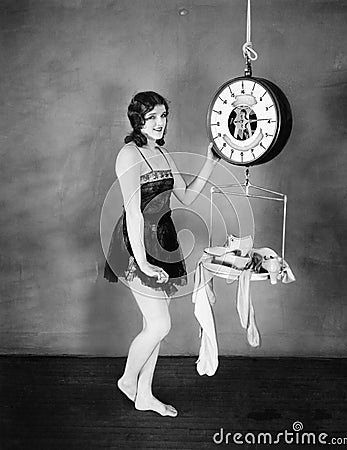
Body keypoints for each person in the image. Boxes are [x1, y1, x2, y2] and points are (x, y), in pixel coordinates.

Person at [104, 91, 220, 417]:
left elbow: (186, 196)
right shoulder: (128, 155)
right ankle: (128, 380)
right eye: (152, 116)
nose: (159, 122)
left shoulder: (163, 153)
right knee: (159, 324)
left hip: (164, 239)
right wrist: (141, 262)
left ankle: (144, 394)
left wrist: (210, 161)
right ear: (137, 119)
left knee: (152, 322)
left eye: (163, 115)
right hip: (136, 242)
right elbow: (133, 212)